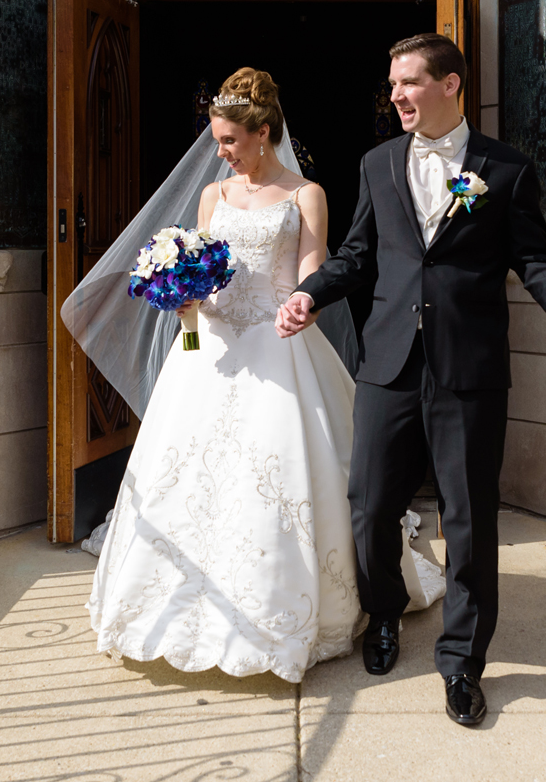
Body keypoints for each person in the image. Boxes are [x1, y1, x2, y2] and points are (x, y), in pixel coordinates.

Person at [80, 67, 443, 682]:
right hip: (211, 348)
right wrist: (184, 293)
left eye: (228, 141)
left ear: (264, 133)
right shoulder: (213, 197)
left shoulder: (307, 195)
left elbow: (312, 277)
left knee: (282, 476)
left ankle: (290, 615)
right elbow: (199, 260)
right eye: (217, 141)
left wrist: (299, 308)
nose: (220, 153)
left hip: (278, 345)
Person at [276, 34, 546, 726]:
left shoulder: (505, 170)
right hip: (389, 363)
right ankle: (384, 613)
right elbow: (359, 254)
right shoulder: (376, 164)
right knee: (369, 504)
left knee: (470, 519)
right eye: (391, 84)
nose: (394, 95)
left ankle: (462, 662)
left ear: (450, 84)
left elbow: (533, 256)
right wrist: (312, 293)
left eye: (408, 82)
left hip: (469, 368)